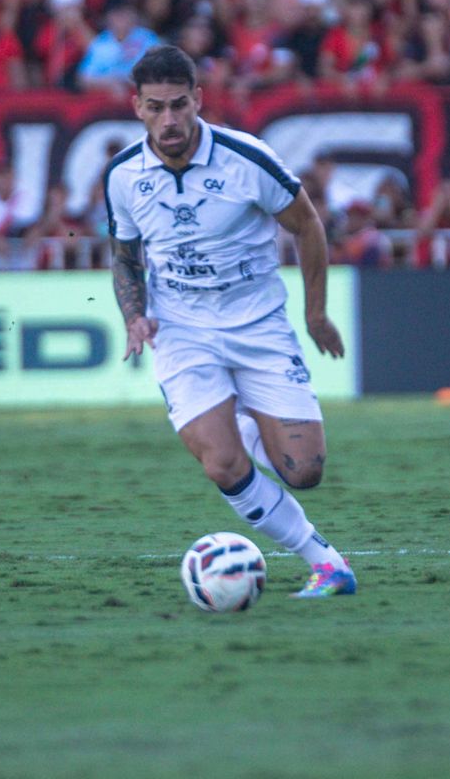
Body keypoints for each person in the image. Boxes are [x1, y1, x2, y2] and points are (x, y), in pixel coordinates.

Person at [105, 46, 355, 599]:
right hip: (182, 328)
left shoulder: (247, 159)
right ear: (136, 107)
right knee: (222, 464)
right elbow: (125, 254)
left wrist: (315, 312)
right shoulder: (123, 176)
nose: (169, 120)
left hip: (259, 324)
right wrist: (134, 316)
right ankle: (328, 564)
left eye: (178, 105)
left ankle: (240, 417)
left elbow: (307, 225)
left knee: (304, 471)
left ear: (198, 100)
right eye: (155, 108)